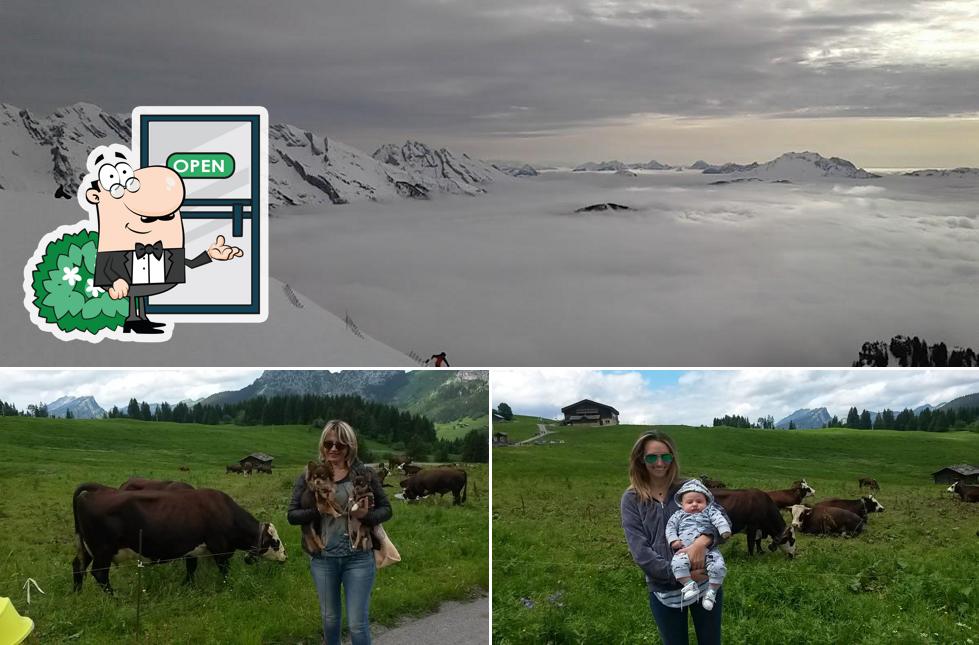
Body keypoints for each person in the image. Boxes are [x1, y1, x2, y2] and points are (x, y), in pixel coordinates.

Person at [288, 420, 392, 645]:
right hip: (324, 559)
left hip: (359, 559)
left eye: (340, 444)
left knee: (357, 624)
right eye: (328, 444)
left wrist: (365, 516)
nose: (333, 449)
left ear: (350, 447)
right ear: (322, 445)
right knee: (330, 620)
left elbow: (386, 509)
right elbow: (292, 516)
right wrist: (317, 510)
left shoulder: (363, 473)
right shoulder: (308, 475)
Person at [620, 431, 729, 645]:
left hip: (705, 582)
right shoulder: (632, 499)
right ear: (640, 459)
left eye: (666, 457)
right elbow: (641, 552)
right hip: (664, 589)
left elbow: (721, 518)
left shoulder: (690, 487)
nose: (660, 463)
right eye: (652, 457)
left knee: (710, 642)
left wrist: (701, 542)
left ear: (673, 458)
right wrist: (680, 574)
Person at [665, 480, 731, 611]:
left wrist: (724, 529)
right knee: (677, 563)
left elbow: (719, 518)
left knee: (718, 566)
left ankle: (711, 592)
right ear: (681, 504)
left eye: (699, 501)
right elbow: (670, 528)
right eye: (690, 502)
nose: (695, 504)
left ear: (706, 502)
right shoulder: (678, 515)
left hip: (709, 549)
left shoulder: (709, 512)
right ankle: (688, 584)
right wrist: (673, 540)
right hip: (684, 549)